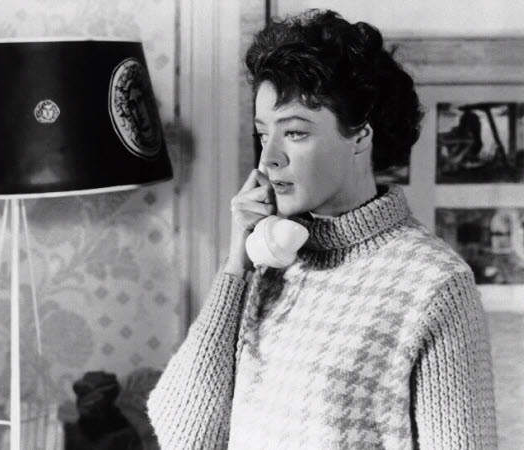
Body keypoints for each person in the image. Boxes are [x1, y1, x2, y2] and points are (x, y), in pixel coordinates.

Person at [147, 9, 497, 449]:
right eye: (263, 134)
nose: (269, 159)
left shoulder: (436, 285)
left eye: (294, 133)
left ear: (361, 136)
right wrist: (237, 264)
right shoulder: (273, 264)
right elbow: (187, 435)